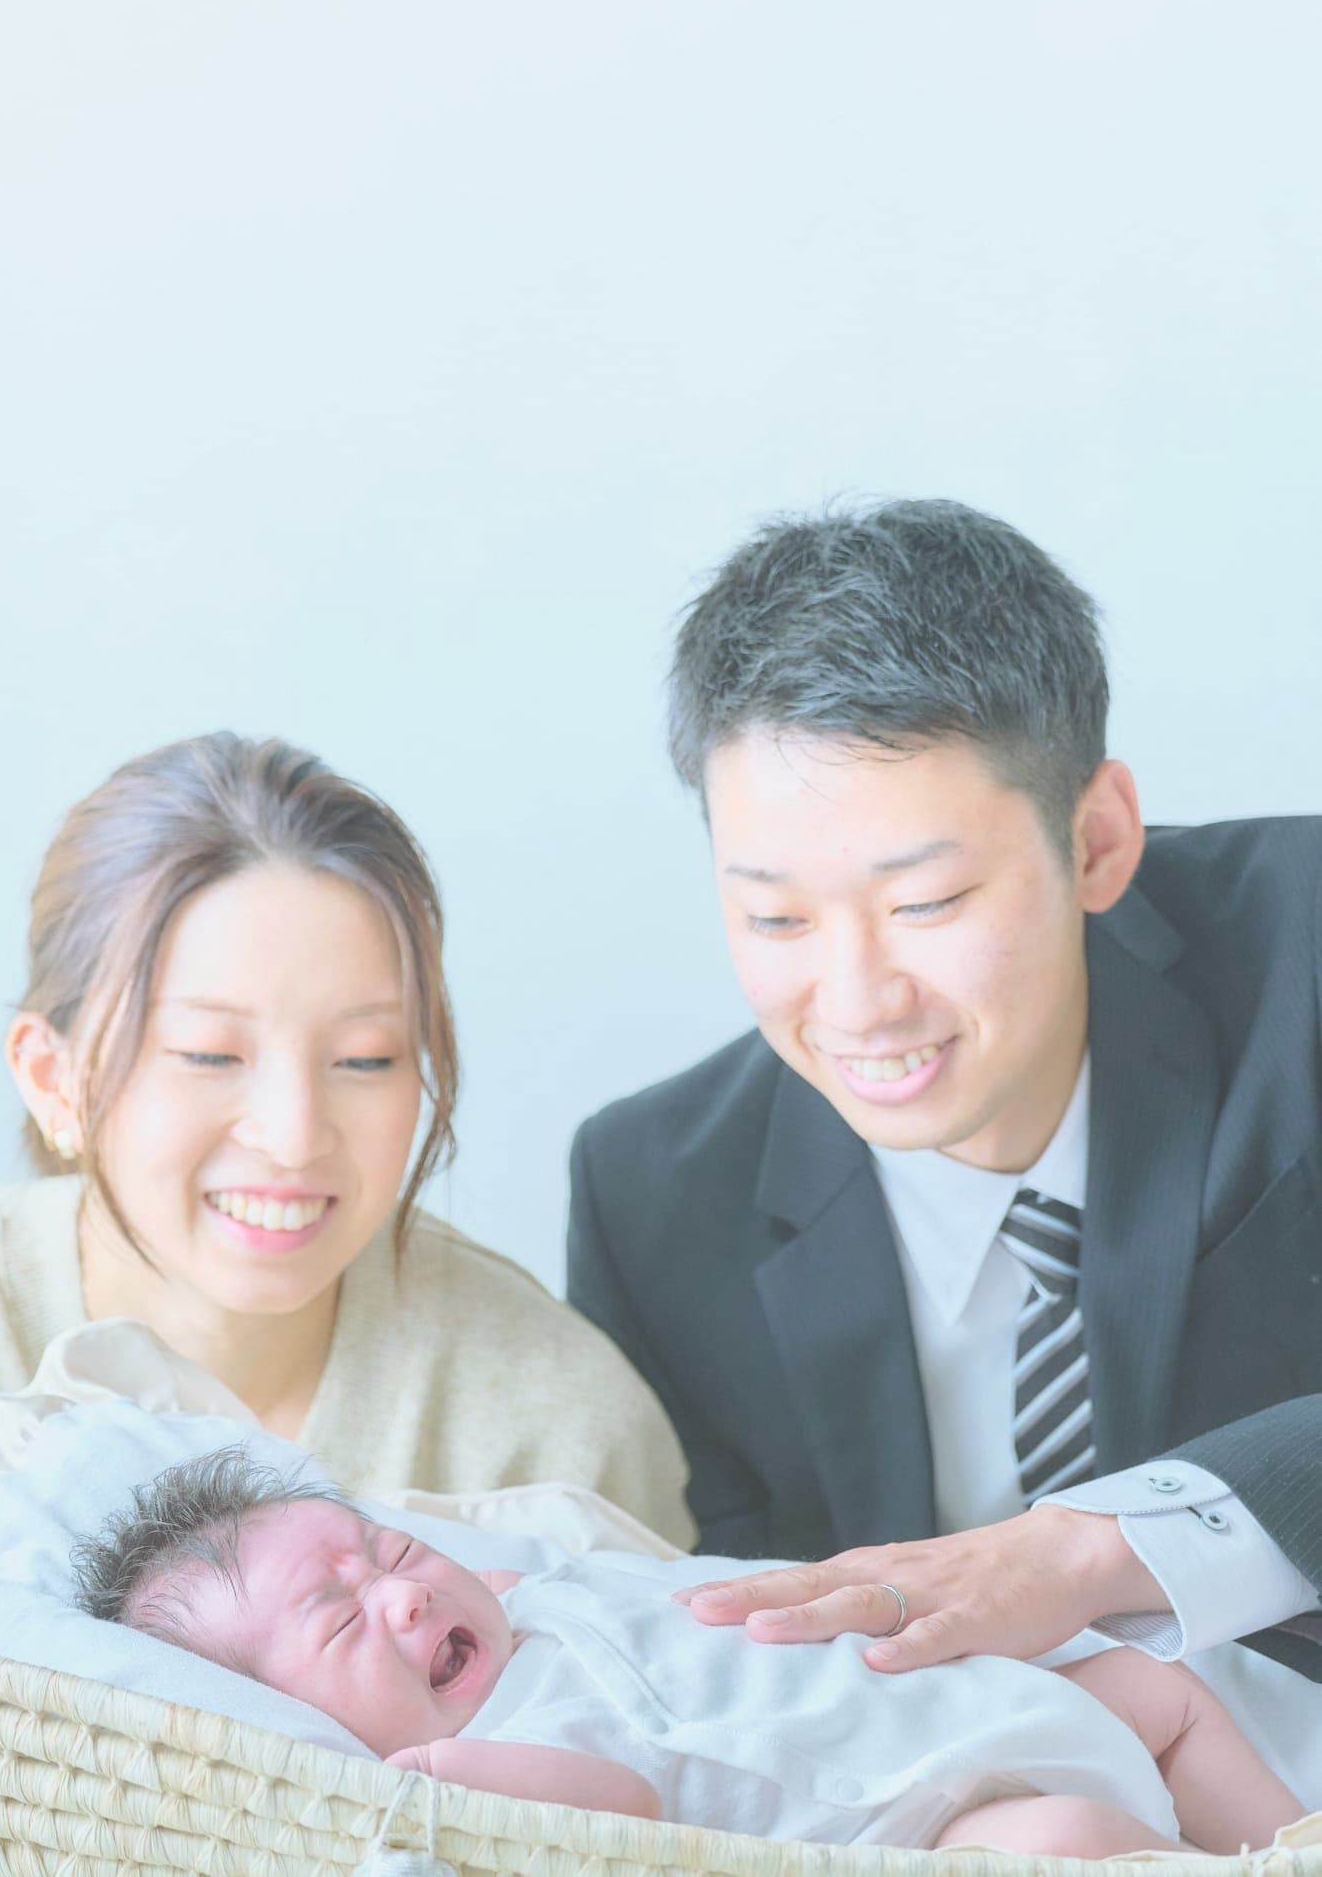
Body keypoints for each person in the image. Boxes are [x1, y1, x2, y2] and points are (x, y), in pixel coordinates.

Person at [566, 500, 1322, 1698]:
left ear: (1096, 839)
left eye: (923, 903)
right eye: (775, 916)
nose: (858, 1002)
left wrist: (1090, 1550)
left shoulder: (1302, 951)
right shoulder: (654, 1200)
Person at [0, 732, 692, 1543]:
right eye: (210, 1053)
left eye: (364, 1058)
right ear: (51, 1076)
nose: (295, 1136)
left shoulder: (558, 1431)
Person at [73, 1447, 1303, 1855]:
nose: (399, 1594)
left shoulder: (525, 1601)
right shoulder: (492, 1750)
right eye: (342, 1621)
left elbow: (550, 1569)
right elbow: (618, 1805)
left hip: (987, 1699)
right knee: (1062, 1841)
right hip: (934, 1811)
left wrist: (493, 1582)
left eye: (390, 1553)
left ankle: (1284, 1846)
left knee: (1153, 1686)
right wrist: (442, 1777)